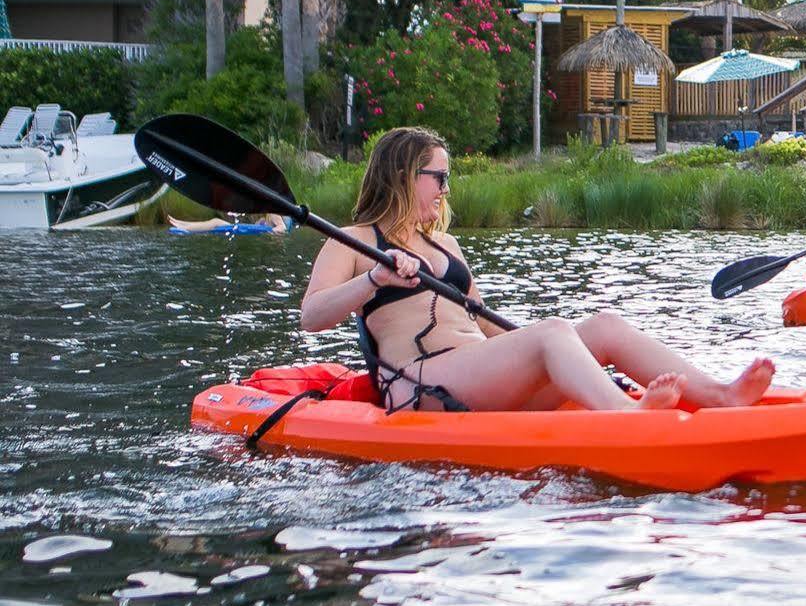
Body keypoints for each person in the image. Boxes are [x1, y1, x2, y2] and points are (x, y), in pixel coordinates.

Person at [302, 126, 774, 414]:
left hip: (480, 379)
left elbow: (483, 323)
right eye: (439, 178)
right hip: (422, 386)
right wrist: (373, 280)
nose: (446, 190)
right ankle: (624, 416)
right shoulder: (355, 240)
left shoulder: (444, 244)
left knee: (602, 328)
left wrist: (560, 350)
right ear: (405, 177)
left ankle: (719, 396)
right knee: (551, 332)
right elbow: (312, 316)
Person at [170, 212, 290, 233]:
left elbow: (282, 227)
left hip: (244, 231)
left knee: (216, 222)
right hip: (246, 230)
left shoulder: (274, 213)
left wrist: (272, 231)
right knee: (216, 222)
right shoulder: (267, 216)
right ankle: (183, 224)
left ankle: (185, 227)